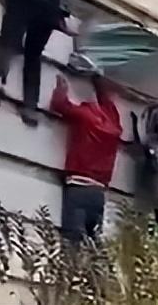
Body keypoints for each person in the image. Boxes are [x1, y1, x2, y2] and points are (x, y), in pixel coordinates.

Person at [50, 74, 122, 242]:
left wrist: (61, 89)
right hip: (98, 194)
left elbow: (60, 105)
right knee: (93, 243)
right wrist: (98, 81)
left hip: (78, 188)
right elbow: (109, 106)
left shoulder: (85, 117)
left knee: (73, 242)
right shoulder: (114, 126)